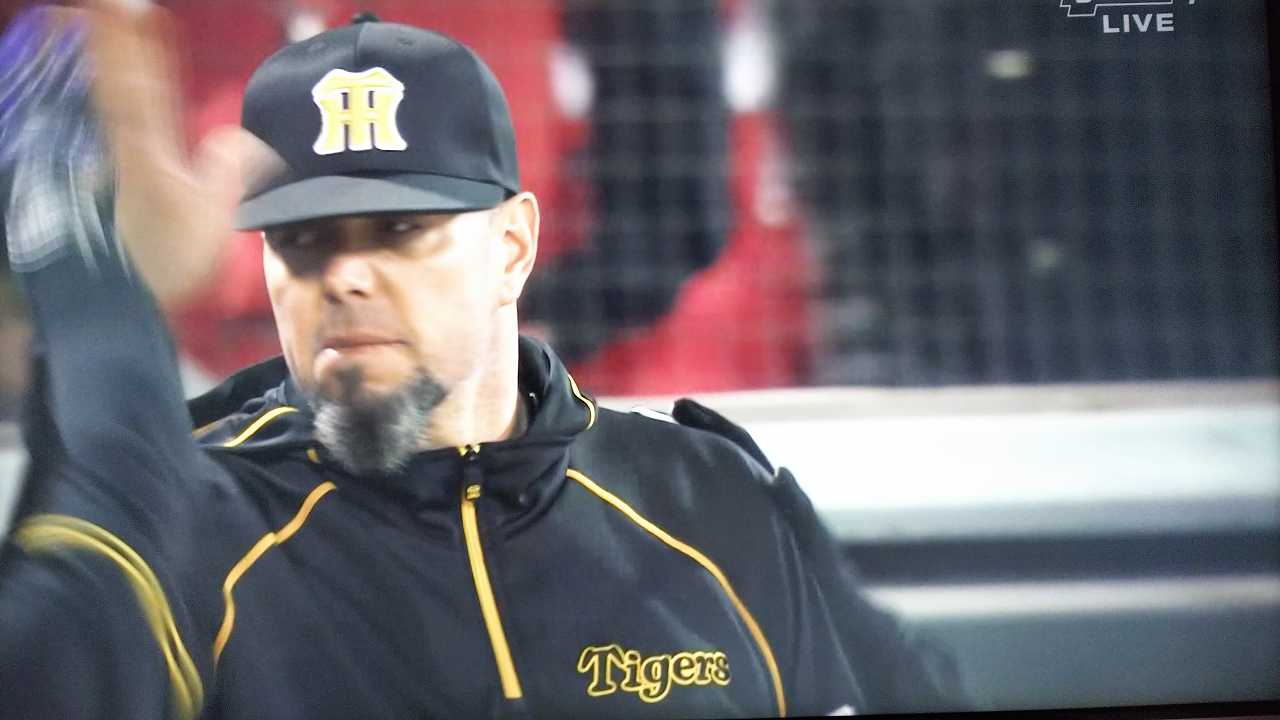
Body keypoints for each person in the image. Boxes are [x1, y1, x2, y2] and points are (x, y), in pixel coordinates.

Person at [0, 4, 963, 718]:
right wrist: (98, 357)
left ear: (512, 246)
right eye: (303, 241)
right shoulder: (190, 528)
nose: (346, 277)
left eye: (400, 229)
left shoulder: (707, 505)